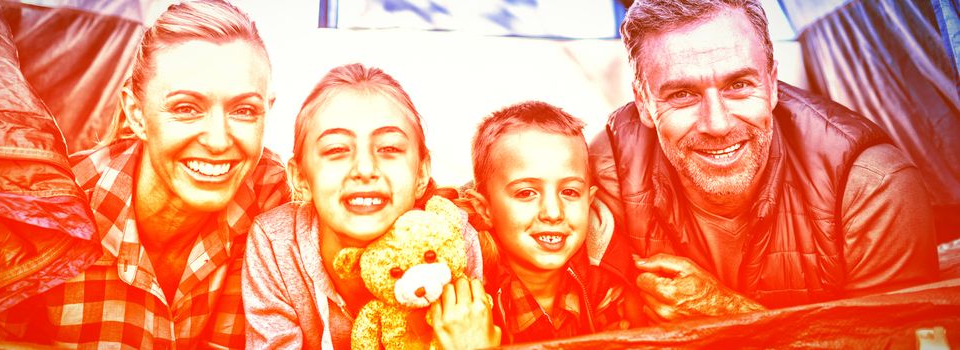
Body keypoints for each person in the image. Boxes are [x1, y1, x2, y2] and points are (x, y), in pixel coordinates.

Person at [589, 0, 940, 323]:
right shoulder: (609, 169)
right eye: (682, 94)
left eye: (738, 85)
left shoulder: (871, 185)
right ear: (643, 102)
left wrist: (731, 315)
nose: (718, 124)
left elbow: (898, 341)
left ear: (772, 84)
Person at [0, 1, 290, 347]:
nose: (219, 140)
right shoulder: (51, 218)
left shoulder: (276, 206)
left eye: (244, 110)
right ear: (136, 114)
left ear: (267, 113)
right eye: (186, 108)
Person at [243, 63, 499, 349]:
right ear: (300, 178)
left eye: (389, 148)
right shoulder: (275, 243)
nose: (365, 169)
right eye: (336, 150)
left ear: (421, 173)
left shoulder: (450, 236)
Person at [462, 101, 641, 344]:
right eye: (526, 193)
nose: (553, 212)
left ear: (589, 201)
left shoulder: (611, 279)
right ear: (484, 209)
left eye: (569, 192)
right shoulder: (468, 293)